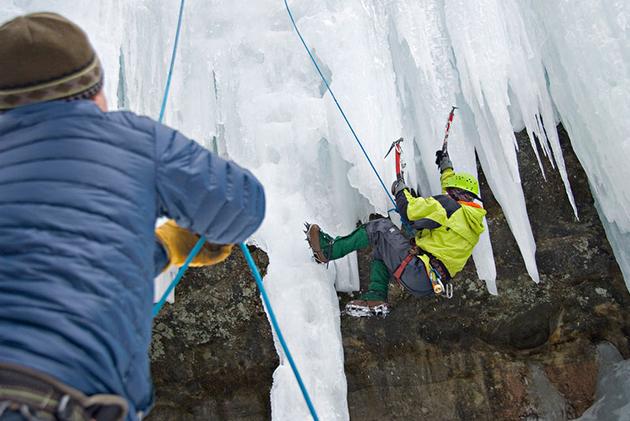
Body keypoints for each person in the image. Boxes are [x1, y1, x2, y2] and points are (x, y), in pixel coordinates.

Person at [0, 13, 265, 421]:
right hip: (70, 400)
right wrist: (177, 241)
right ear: (93, 92)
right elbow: (242, 205)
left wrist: (160, 249)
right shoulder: (133, 139)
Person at [306, 149, 485, 317]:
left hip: (418, 269)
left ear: (456, 194)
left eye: (450, 191)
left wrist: (401, 190)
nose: (446, 193)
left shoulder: (449, 206)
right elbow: (452, 189)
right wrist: (446, 167)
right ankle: (375, 298)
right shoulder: (472, 223)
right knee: (382, 247)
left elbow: (410, 210)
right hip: (428, 282)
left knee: (380, 228)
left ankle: (328, 250)